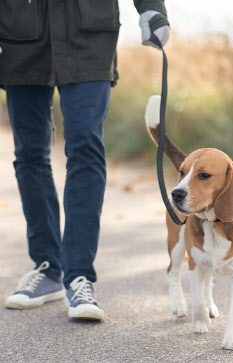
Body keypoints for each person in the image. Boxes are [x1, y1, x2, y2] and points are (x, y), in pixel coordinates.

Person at [0, 0, 170, 320]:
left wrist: (151, 8)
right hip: (18, 34)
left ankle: (79, 277)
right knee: (30, 155)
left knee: (85, 147)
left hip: (88, 33)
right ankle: (48, 269)